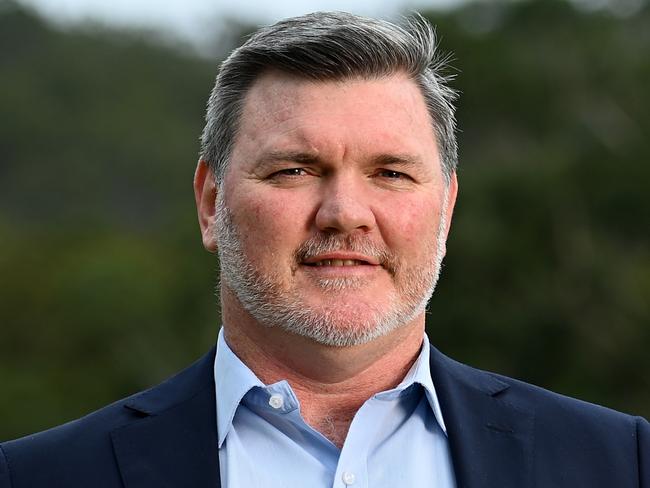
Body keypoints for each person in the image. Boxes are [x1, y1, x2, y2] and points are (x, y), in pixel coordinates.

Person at [1, 11, 648, 488]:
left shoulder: (623, 463)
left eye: (391, 172)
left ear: (446, 208)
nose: (344, 214)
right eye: (294, 170)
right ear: (210, 204)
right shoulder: (37, 477)